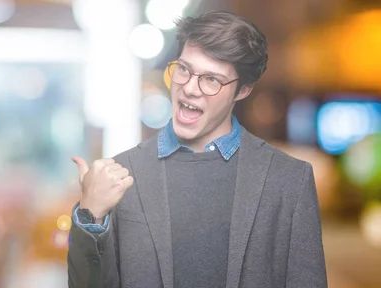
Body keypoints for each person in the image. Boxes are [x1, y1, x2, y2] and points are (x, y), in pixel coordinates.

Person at [67, 10, 327, 288]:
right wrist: (90, 217)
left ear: (242, 91)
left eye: (212, 79)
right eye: (184, 69)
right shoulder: (121, 173)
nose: (190, 88)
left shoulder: (289, 180)